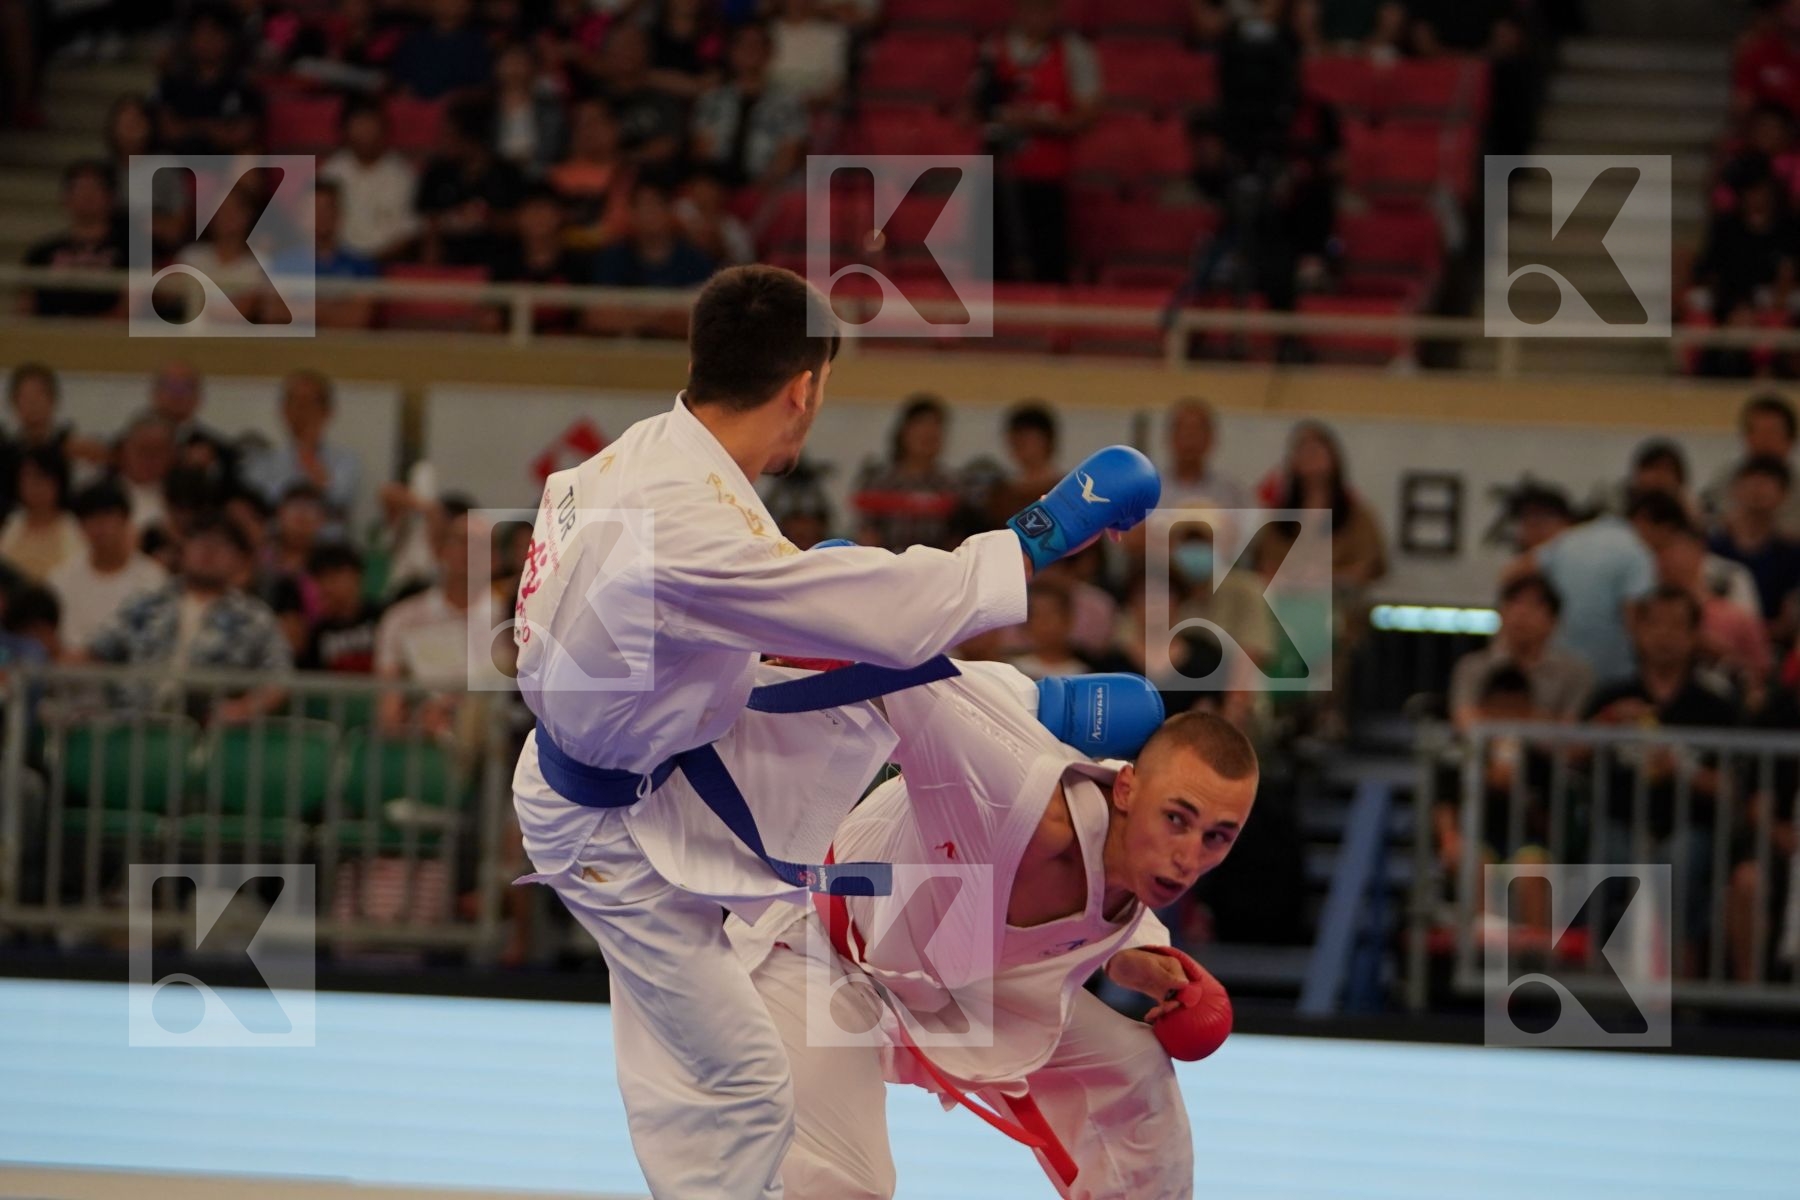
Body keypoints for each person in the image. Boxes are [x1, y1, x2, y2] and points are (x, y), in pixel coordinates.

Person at [507, 263, 1160, 1200]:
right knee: (742, 1086)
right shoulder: (687, 524)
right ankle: (1025, 705)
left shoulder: (642, 456)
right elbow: (867, 612)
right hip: (615, 822)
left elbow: (788, 606)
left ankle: (1022, 705)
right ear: (804, 389)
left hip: (659, 742)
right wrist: (1037, 536)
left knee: (844, 678)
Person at [727, 670, 1252, 1199]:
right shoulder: (1007, 788)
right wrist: (730, 660)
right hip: (822, 955)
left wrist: (1135, 958)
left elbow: (1095, 906)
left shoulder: (1142, 855)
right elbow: (892, 671)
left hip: (964, 988)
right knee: (845, 1185)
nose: (1189, 857)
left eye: (1218, 837)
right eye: (1177, 820)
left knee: (1136, 1074)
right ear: (1126, 789)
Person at [81, 511, 291, 721]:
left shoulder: (254, 617)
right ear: (182, 550)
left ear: (240, 560)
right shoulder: (144, 605)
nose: (209, 550)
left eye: (223, 544)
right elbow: (94, 652)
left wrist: (242, 709)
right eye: (199, 540)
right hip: (137, 728)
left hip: (209, 731)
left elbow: (279, 678)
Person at [1505, 490, 1687, 686]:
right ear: (1663, 529)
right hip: (1610, 674)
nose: (1665, 551)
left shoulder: (1575, 535)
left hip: (1556, 663)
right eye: (1668, 541)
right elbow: (1634, 617)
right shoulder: (1638, 552)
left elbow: (1512, 572)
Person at [1448, 574, 1592, 731]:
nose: (1521, 613)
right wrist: (1540, 720)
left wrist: (1500, 717)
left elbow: (1569, 732)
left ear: (1553, 620)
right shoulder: (1472, 667)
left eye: (1534, 605)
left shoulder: (1574, 673)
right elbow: (1465, 722)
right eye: (1513, 603)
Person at [47, 481, 167, 656]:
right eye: (91, 519)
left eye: (107, 517)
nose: (100, 527)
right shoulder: (59, 580)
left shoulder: (154, 579)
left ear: (125, 520)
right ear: (80, 527)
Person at [243, 369, 362, 527]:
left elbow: (340, 499)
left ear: (327, 411)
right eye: (294, 403)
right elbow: (261, 502)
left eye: (308, 403)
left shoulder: (346, 460)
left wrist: (310, 461)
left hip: (328, 541)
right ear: (284, 411)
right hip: (275, 539)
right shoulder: (264, 460)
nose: (301, 411)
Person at [851, 394, 960, 551]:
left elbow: (958, 539)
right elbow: (867, 535)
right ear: (903, 432)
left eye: (936, 427)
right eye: (921, 425)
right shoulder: (880, 482)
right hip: (888, 561)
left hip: (938, 562)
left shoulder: (951, 484)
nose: (928, 433)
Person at [21, 160, 125, 319]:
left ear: (111, 197)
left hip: (106, 332)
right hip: (49, 331)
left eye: (94, 188)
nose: (86, 196)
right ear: (65, 197)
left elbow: (130, 309)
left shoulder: (130, 250)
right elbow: (25, 308)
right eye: (79, 188)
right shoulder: (42, 251)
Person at [320, 100, 421, 262]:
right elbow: (318, 226)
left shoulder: (402, 175)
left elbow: (409, 232)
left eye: (370, 125)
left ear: (384, 129)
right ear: (345, 130)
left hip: (388, 263)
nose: (365, 132)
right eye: (359, 125)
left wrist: (369, 264)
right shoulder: (331, 172)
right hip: (338, 264)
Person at [1708, 456, 1800, 624]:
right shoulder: (1712, 545)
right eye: (1752, 482)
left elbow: (1789, 616)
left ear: (1784, 494)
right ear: (1735, 488)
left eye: (1767, 483)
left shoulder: (1790, 553)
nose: (1758, 490)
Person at [1702, 394, 1800, 538]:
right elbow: (1705, 520)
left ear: (1790, 440)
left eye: (1771, 433)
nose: (1763, 441)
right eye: (1756, 432)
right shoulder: (1725, 480)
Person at [0, 446, 83, 582]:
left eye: (42, 477)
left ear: (59, 482)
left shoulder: (75, 528)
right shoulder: (11, 523)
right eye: (27, 477)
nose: (35, 485)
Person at [1162, 397, 1247, 512]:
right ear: (1169, 438)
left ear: (1210, 439)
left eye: (1196, 432)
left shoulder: (1230, 492)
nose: (1190, 440)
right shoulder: (1150, 491)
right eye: (1184, 432)